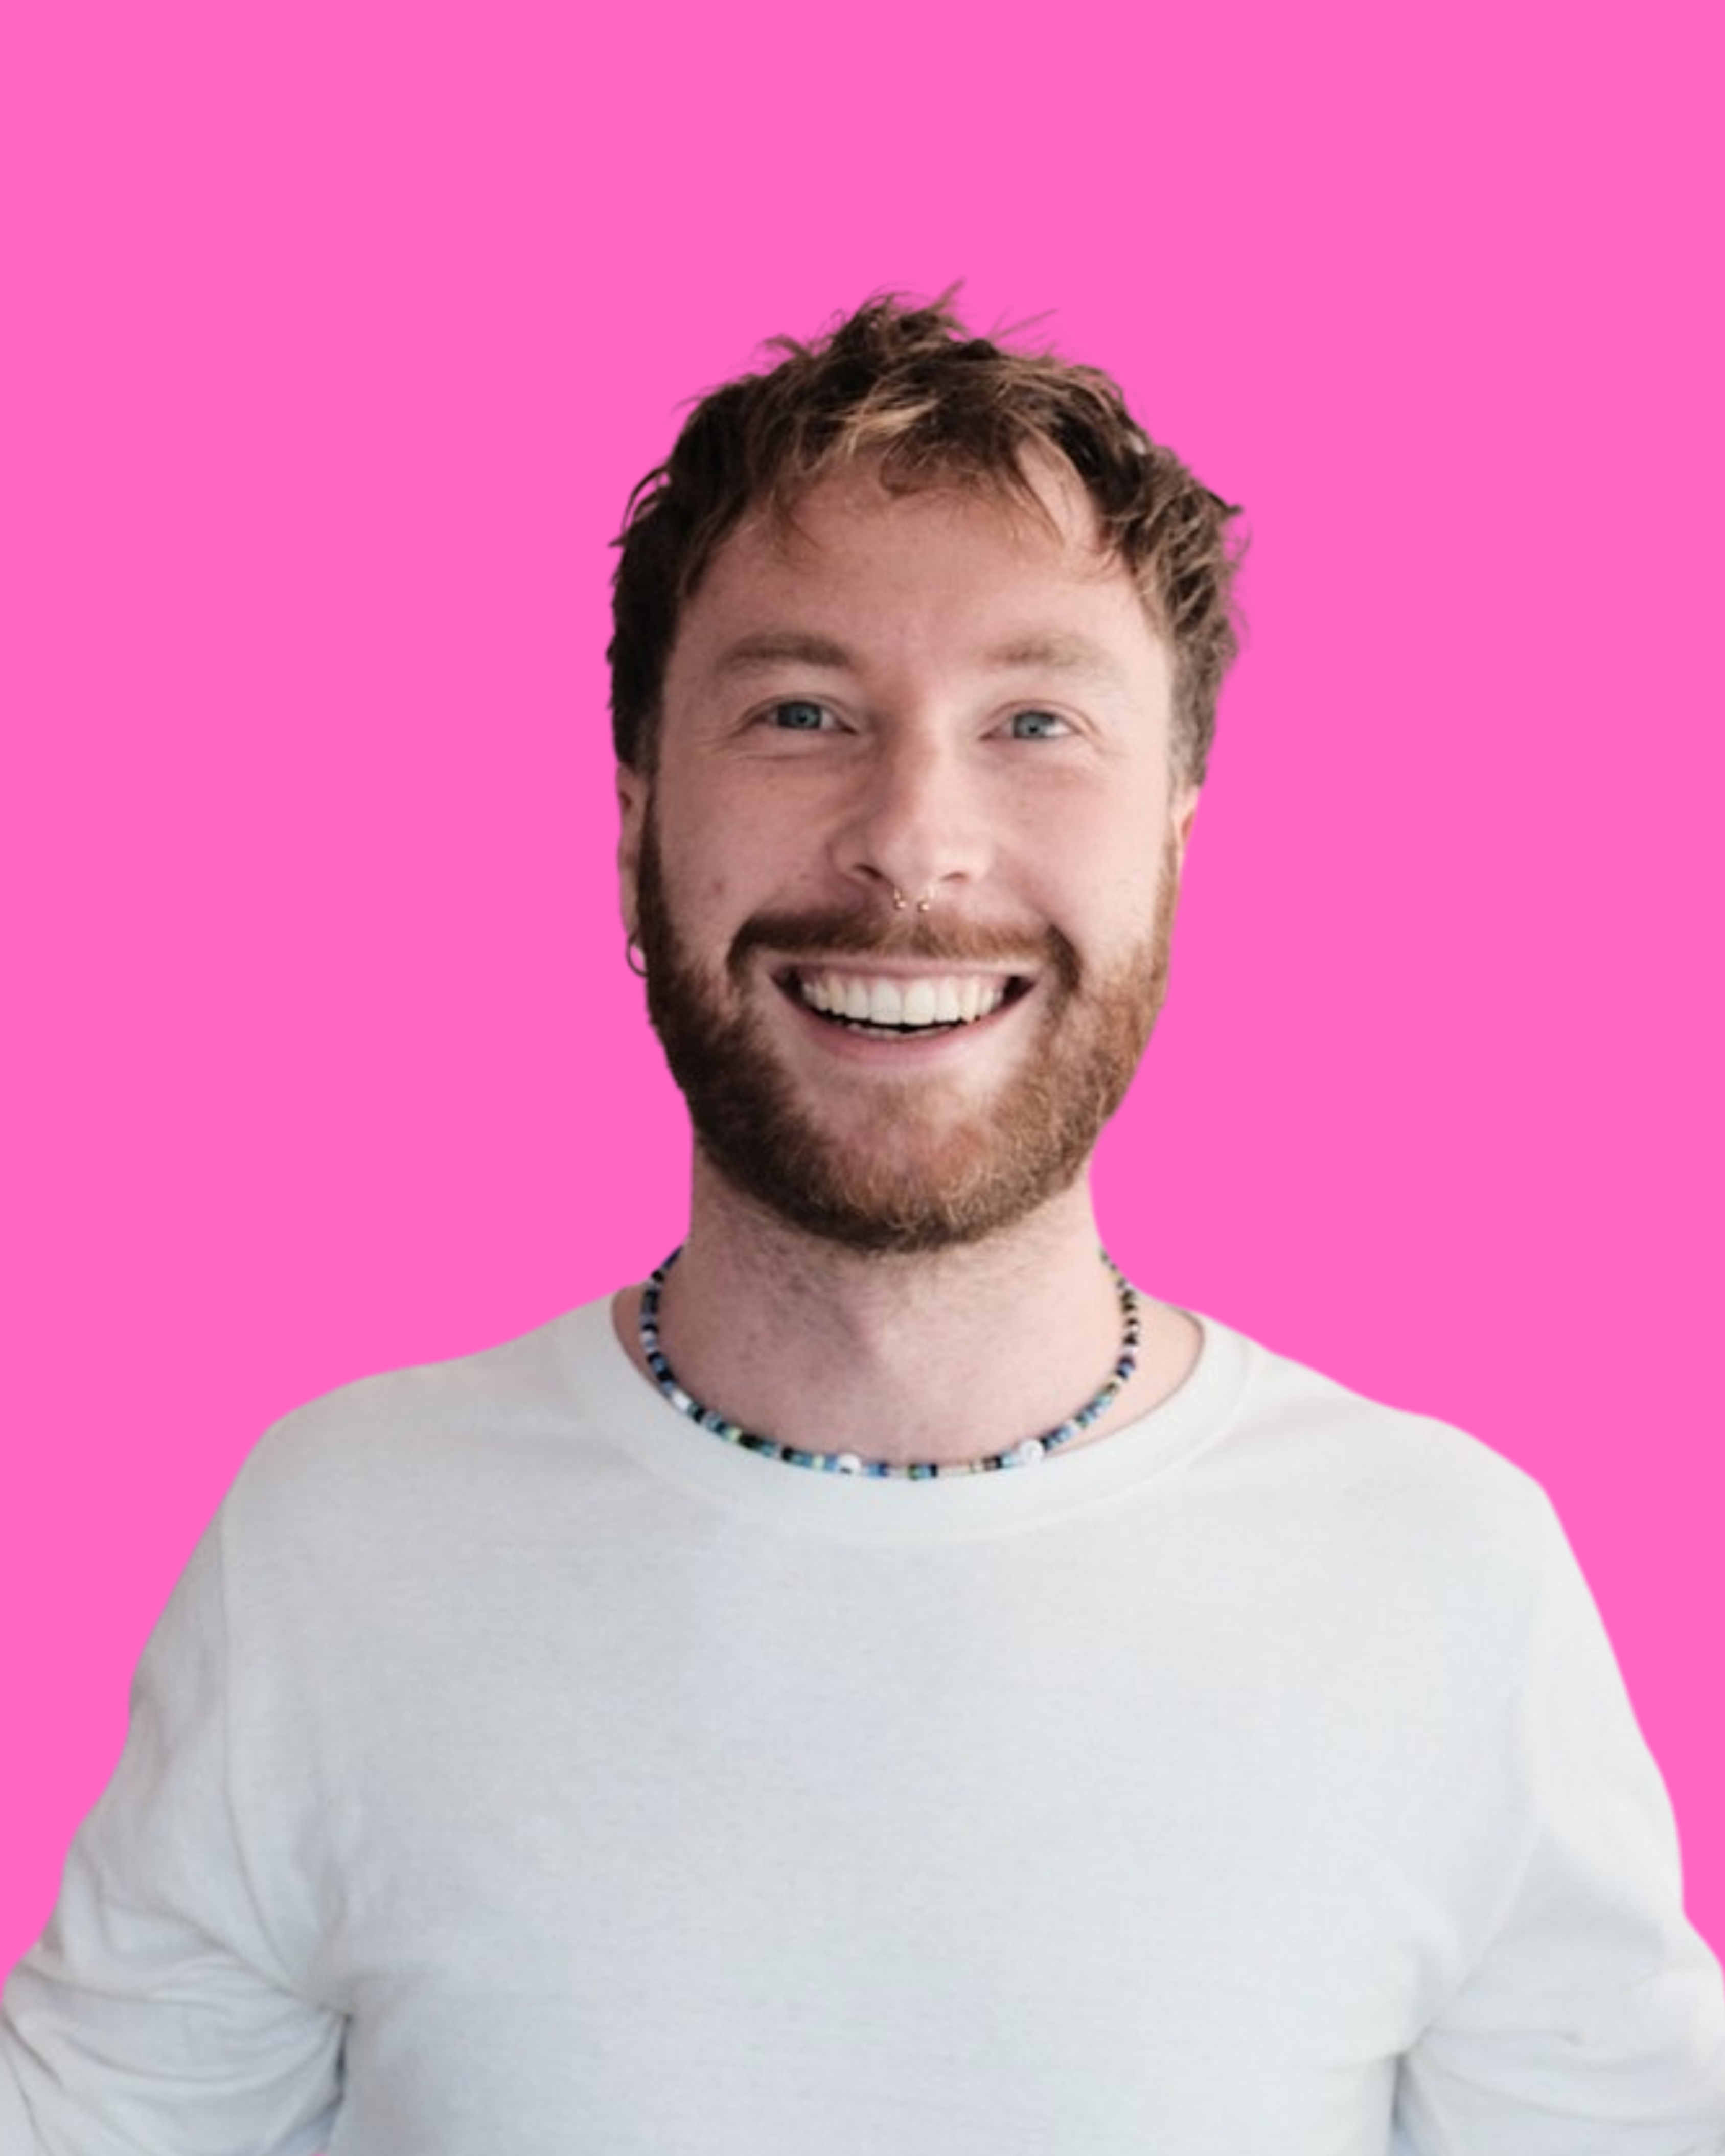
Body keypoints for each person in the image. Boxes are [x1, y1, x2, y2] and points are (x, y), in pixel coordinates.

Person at [4, 294, 1722, 2155]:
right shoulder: (337, 1543)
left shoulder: (1445, 1575)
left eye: (1036, 722)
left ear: (1174, 839)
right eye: (802, 713)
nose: (913, 837)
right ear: (635, 826)